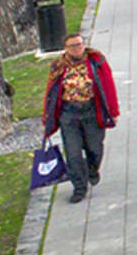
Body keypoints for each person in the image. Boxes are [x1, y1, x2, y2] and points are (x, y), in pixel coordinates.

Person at [43, 33, 119, 203]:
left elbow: (108, 86)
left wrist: (113, 112)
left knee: (95, 148)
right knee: (73, 152)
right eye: (72, 46)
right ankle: (79, 187)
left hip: (91, 112)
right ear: (65, 48)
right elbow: (50, 93)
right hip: (69, 115)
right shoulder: (58, 66)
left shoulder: (96, 61)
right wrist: (46, 118)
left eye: (79, 44)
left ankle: (92, 169)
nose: (77, 48)